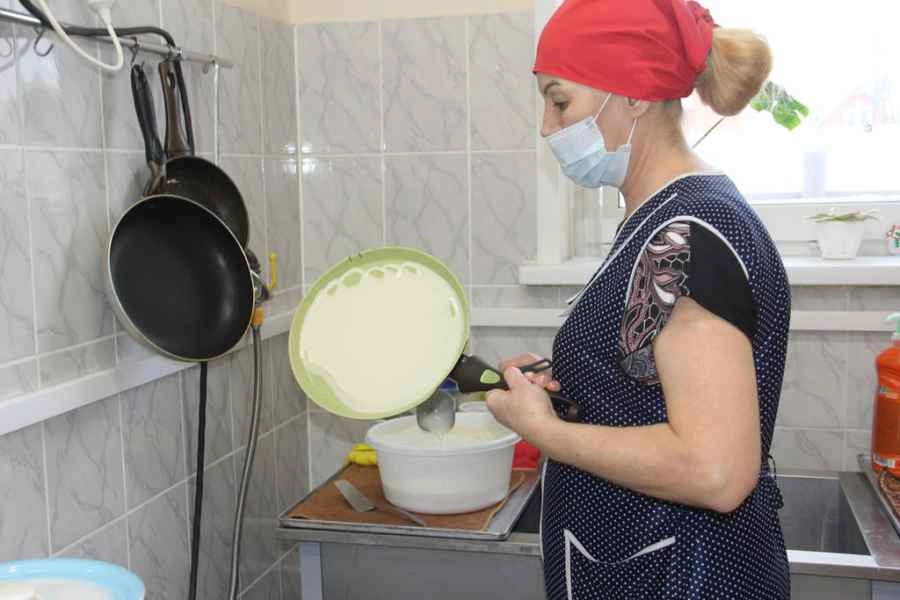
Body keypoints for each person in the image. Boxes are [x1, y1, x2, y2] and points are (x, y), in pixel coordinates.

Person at [485, 1, 791, 598]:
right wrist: (570, 389)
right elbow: (648, 379)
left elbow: (715, 470)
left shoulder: (682, 236)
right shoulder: (663, 220)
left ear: (633, 95)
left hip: (684, 579)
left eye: (559, 101)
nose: (547, 127)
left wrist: (544, 431)